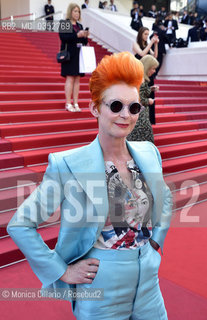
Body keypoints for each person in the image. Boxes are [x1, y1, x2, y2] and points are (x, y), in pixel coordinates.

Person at [7, 51, 173, 320]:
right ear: (95, 107)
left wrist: (155, 244)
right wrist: (62, 270)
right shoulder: (67, 165)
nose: (125, 115)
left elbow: (164, 199)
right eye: (116, 105)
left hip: (149, 284)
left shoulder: (148, 152)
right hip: (99, 288)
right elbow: (20, 224)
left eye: (133, 107)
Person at [59, 4, 89, 112]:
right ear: (70, 12)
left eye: (78, 12)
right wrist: (77, 35)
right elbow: (63, 37)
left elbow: (84, 42)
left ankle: (76, 103)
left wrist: (85, 35)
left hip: (78, 54)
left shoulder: (80, 26)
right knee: (70, 78)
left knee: (77, 79)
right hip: (69, 55)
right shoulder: (65, 23)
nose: (77, 13)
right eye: (75, 11)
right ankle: (68, 103)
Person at [127, 55, 159, 144]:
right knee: (143, 141)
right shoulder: (141, 79)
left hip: (139, 115)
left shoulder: (139, 77)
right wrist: (148, 101)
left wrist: (150, 89)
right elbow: (138, 98)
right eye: (153, 68)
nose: (154, 71)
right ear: (147, 67)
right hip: (140, 118)